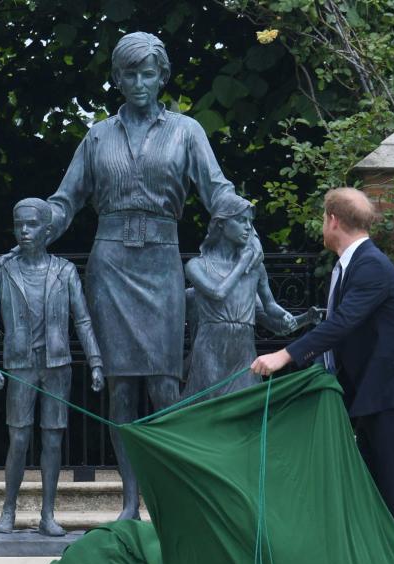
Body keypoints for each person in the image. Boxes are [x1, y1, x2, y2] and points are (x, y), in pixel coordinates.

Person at [41, 31, 256, 519]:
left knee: (164, 383)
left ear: (163, 77)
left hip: (161, 262)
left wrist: (244, 222)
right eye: (130, 74)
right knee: (121, 388)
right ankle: (129, 500)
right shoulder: (97, 136)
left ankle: (169, 494)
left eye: (148, 73)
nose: (139, 82)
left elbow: (216, 190)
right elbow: (66, 199)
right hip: (111, 265)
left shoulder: (186, 131)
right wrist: (39, 229)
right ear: (117, 79)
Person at [251, 187, 394, 546]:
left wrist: (284, 355)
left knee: (392, 500)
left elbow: (342, 322)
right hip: (372, 400)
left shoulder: (371, 265)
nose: (322, 225)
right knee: (370, 500)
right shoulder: (350, 265)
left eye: (322, 218)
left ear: (332, 220)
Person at [0, 198, 104, 536]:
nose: (24, 231)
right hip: (20, 367)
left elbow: (84, 320)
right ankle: (9, 510)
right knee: (18, 440)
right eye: (19, 225)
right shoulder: (4, 271)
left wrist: (95, 362)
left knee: (52, 442)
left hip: (57, 366)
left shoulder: (64, 271)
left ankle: (48, 514)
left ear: (47, 231)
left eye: (31, 225)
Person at [183, 195, 296, 399]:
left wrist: (287, 315)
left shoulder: (256, 268)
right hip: (211, 348)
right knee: (210, 408)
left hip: (243, 349)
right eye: (241, 220)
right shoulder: (197, 266)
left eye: (250, 222)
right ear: (221, 224)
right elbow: (218, 293)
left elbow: (269, 306)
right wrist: (243, 263)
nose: (248, 228)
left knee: (246, 407)